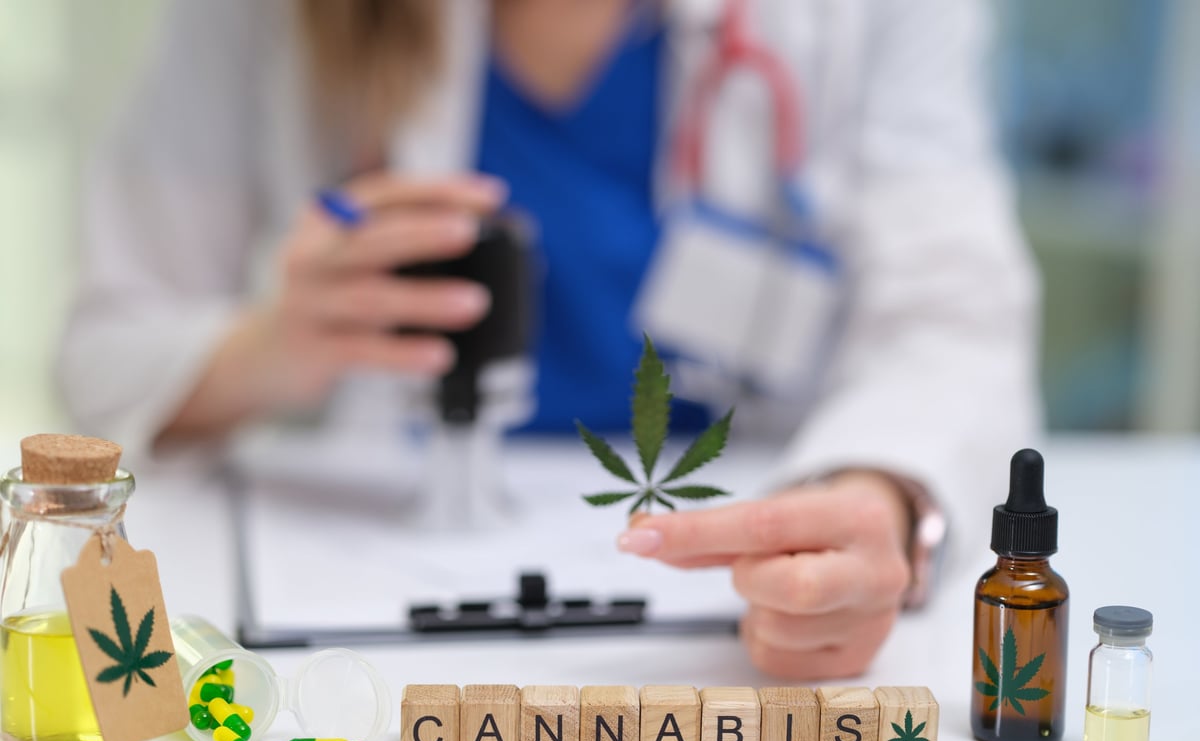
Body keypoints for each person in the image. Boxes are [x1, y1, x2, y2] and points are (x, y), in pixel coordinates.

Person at [59, 0, 1039, 679]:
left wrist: (879, 491)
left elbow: (956, 322)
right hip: (376, 614)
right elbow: (101, 359)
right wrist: (271, 347)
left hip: (724, 632)